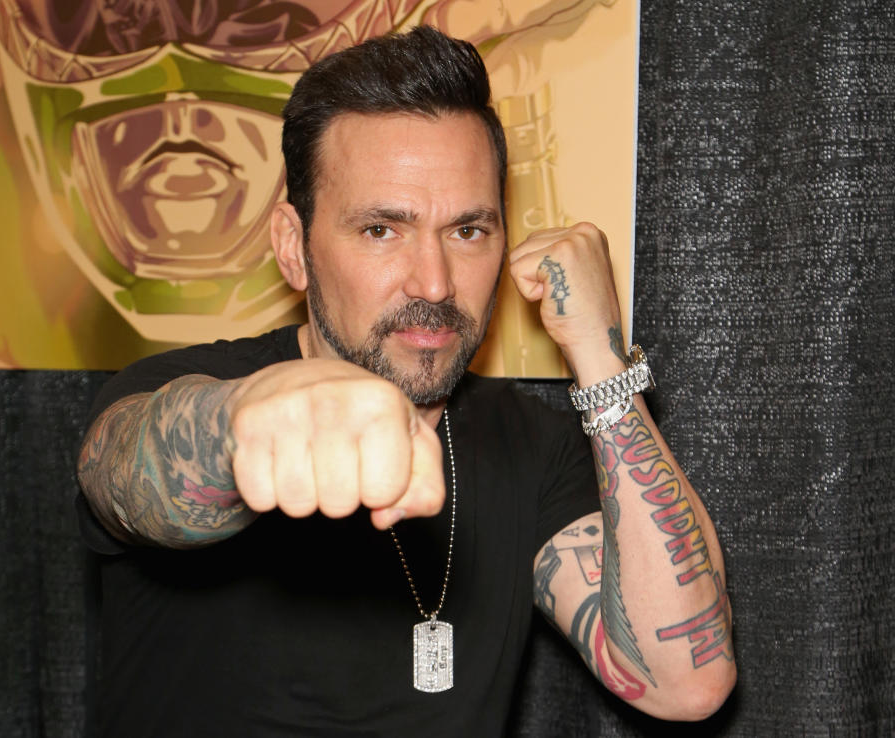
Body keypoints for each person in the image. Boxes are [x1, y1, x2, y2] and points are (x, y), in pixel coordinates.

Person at [76, 25, 736, 737]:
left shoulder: (530, 444)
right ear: (293, 249)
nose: (435, 281)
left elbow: (684, 683)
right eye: (382, 230)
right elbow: (130, 471)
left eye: (468, 230)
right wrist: (241, 424)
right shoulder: (176, 388)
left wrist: (600, 359)